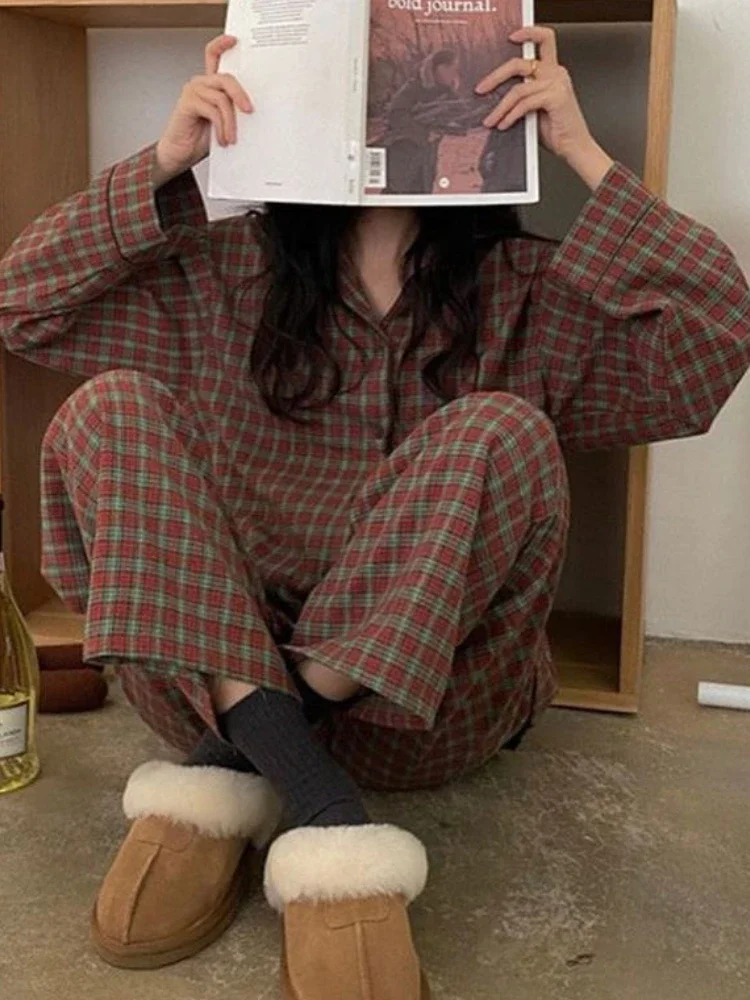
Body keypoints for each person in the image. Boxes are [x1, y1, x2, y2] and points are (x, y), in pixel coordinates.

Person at [1, 25, 749, 1000]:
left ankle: (241, 763)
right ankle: (322, 807)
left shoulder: (529, 291)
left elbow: (710, 350)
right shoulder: (219, 273)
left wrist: (580, 151)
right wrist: (167, 161)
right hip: (205, 673)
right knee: (106, 410)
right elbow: (24, 306)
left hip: (428, 709)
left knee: (502, 429)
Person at [382, 48, 462, 193]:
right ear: (434, 68)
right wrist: (425, 133)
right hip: (402, 153)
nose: (452, 72)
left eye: (454, 68)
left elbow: (461, 116)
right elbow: (397, 115)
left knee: (422, 192)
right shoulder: (413, 88)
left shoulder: (447, 93)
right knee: (397, 192)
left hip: (426, 157)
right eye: (447, 67)